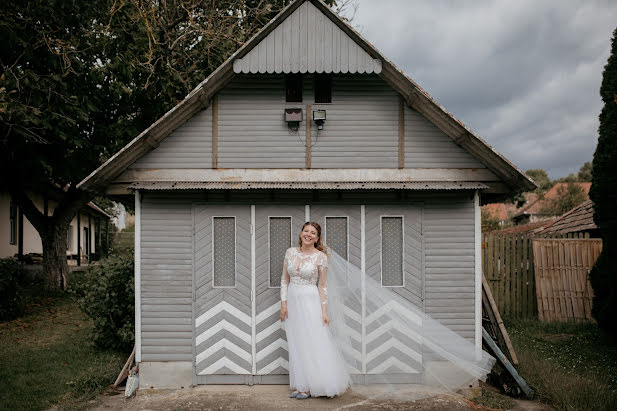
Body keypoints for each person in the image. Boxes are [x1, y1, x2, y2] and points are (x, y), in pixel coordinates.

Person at [279, 222, 351, 399]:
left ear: (317, 238)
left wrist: (324, 311)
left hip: (311, 301)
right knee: (297, 342)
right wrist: (283, 303)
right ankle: (301, 384)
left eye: (313, 233)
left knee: (312, 340)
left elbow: (323, 286)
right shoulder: (290, 252)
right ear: (301, 233)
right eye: (306, 231)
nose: (308, 234)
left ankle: (312, 386)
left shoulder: (320, 257)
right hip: (293, 302)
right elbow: (284, 280)